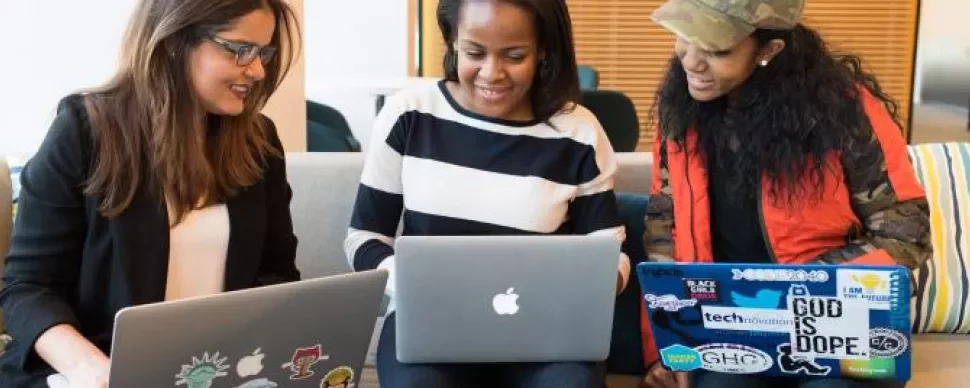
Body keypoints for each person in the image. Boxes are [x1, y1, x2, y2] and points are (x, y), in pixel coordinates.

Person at [0, 0, 301, 386]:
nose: (257, 69)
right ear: (174, 41)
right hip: (90, 371)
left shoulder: (260, 143)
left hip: (213, 372)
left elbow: (278, 276)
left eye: (263, 52)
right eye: (240, 49)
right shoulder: (84, 131)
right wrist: (92, 370)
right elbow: (28, 288)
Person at [638, 0, 933, 387]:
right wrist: (669, 346)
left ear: (768, 50)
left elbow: (905, 232)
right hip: (730, 331)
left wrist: (798, 287)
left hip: (837, 327)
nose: (691, 61)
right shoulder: (680, 112)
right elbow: (665, 226)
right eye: (685, 38)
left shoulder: (845, 112)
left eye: (717, 49)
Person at [343, 0, 630, 386]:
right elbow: (364, 238)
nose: (492, 74)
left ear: (543, 48)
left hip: (546, 330)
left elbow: (609, 250)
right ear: (452, 43)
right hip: (429, 321)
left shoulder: (577, 132)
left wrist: (601, 282)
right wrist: (409, 282)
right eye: (474, 52)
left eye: (514, 56)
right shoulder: (410, 114)